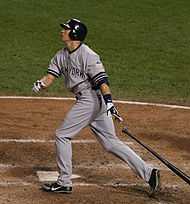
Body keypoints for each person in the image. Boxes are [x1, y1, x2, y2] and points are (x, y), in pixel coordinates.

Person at [32, 18, 160, 195]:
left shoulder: (88, 55)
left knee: (62, 135)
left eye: (66, 29)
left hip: (91, 100)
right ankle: (150, 173)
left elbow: (103, 82)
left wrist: (109, 102)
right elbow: (50, 77)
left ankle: (64, 182)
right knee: (110, 143)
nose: (62, 31)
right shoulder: (61, 55)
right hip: (90, 101)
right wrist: (40, 84)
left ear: (74, 33)